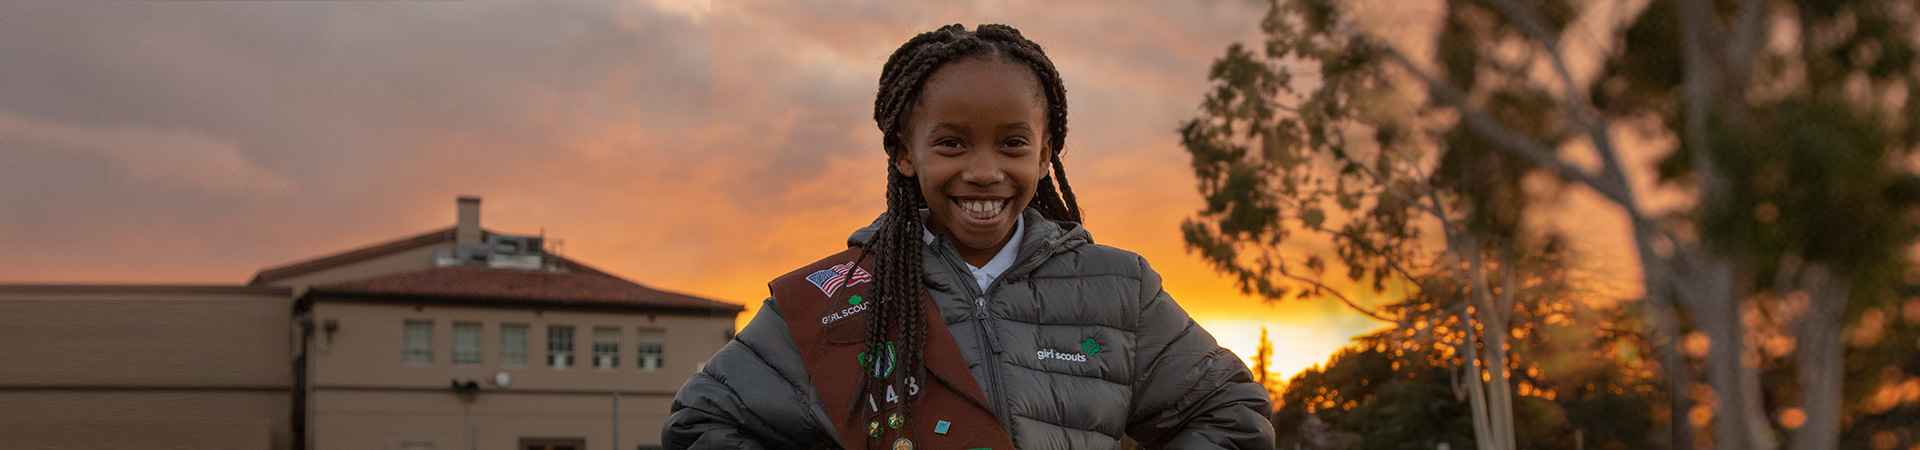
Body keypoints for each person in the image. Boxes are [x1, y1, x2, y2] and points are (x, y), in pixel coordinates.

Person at [665, 23, 1274, 450]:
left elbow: (1230, 413)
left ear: (1045, 157)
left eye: (1013, 143)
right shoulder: (835, 297)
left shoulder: (1119, 289)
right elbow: (704, 424)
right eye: (952, 142)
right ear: (906, 153)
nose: (984, 171)